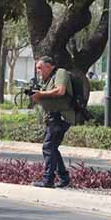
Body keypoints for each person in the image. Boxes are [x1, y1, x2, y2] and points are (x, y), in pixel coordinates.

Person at [30, 55, 74, 188]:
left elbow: (60, 91)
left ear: (49, 66)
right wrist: (36, 95)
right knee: (52, 147)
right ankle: (64, 178)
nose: (38, 71)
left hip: (61, 116)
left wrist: (41, 94)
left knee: (48, 147)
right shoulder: (47, 80)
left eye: (40, 68)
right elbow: (45, 98)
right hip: (52, 118)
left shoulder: (61, 73)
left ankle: (48, 180)